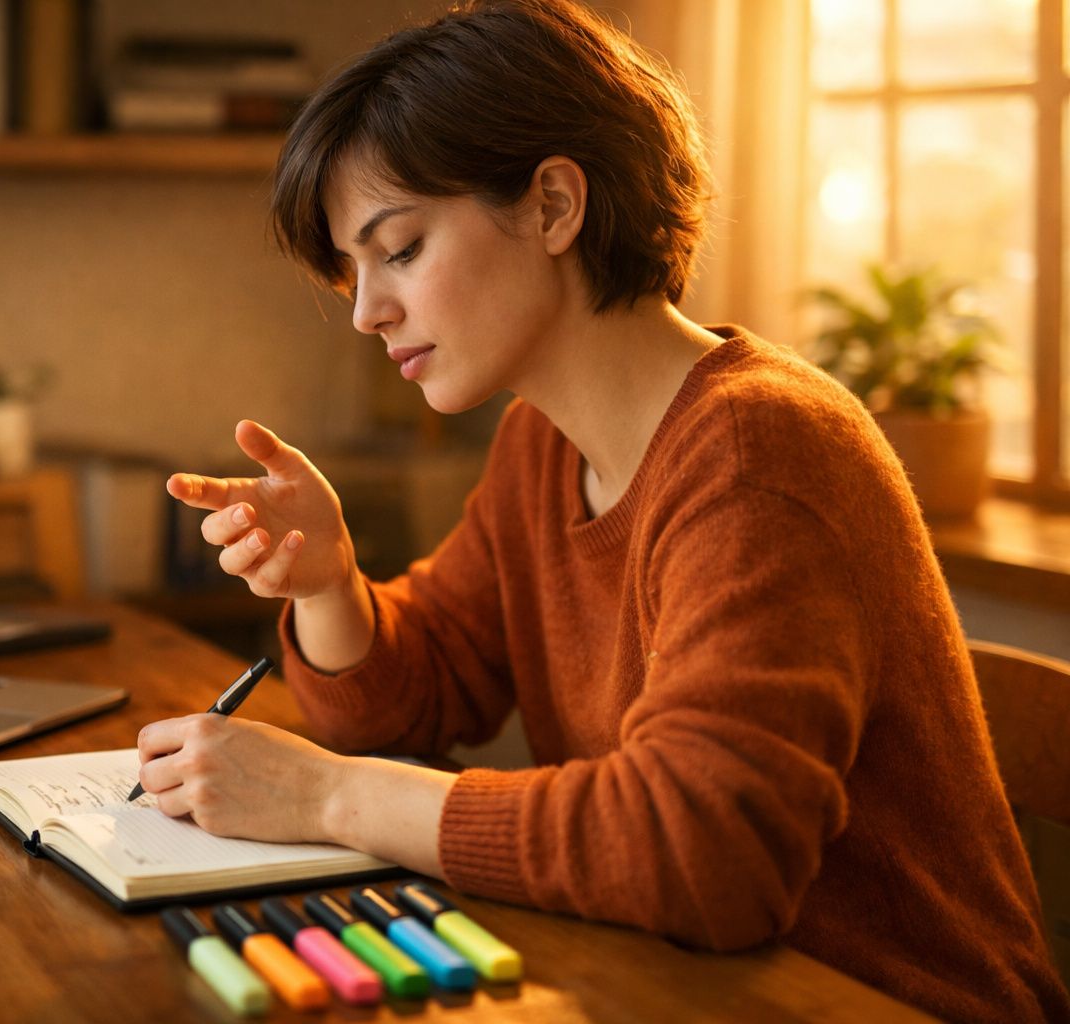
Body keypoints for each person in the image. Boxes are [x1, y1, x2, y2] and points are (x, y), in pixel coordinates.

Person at [130, 1, 1070, 1019]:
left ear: (553, 206)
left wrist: (323, 796)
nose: (367, 311)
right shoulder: (545, 440)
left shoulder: (760, 450)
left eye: (397, 249)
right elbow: (421, 694)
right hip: (679, 983)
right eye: (352, 272)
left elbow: (704, 850)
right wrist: (329, 587)